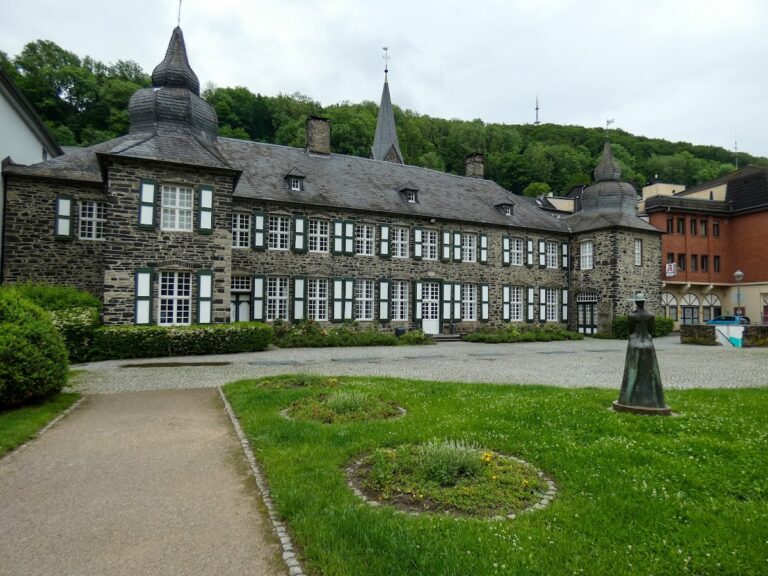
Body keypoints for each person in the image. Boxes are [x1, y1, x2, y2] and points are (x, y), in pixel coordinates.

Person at [614, 293, 670, 415]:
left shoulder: (631, 316)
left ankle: (626, 398)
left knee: (631, 373)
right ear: (644, 302)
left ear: (636, 302)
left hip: (634, 344)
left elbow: (631, 331)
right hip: (648, 344)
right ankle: (657, 400)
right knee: (652, 373)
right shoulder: (650, 315)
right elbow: (651, 331)